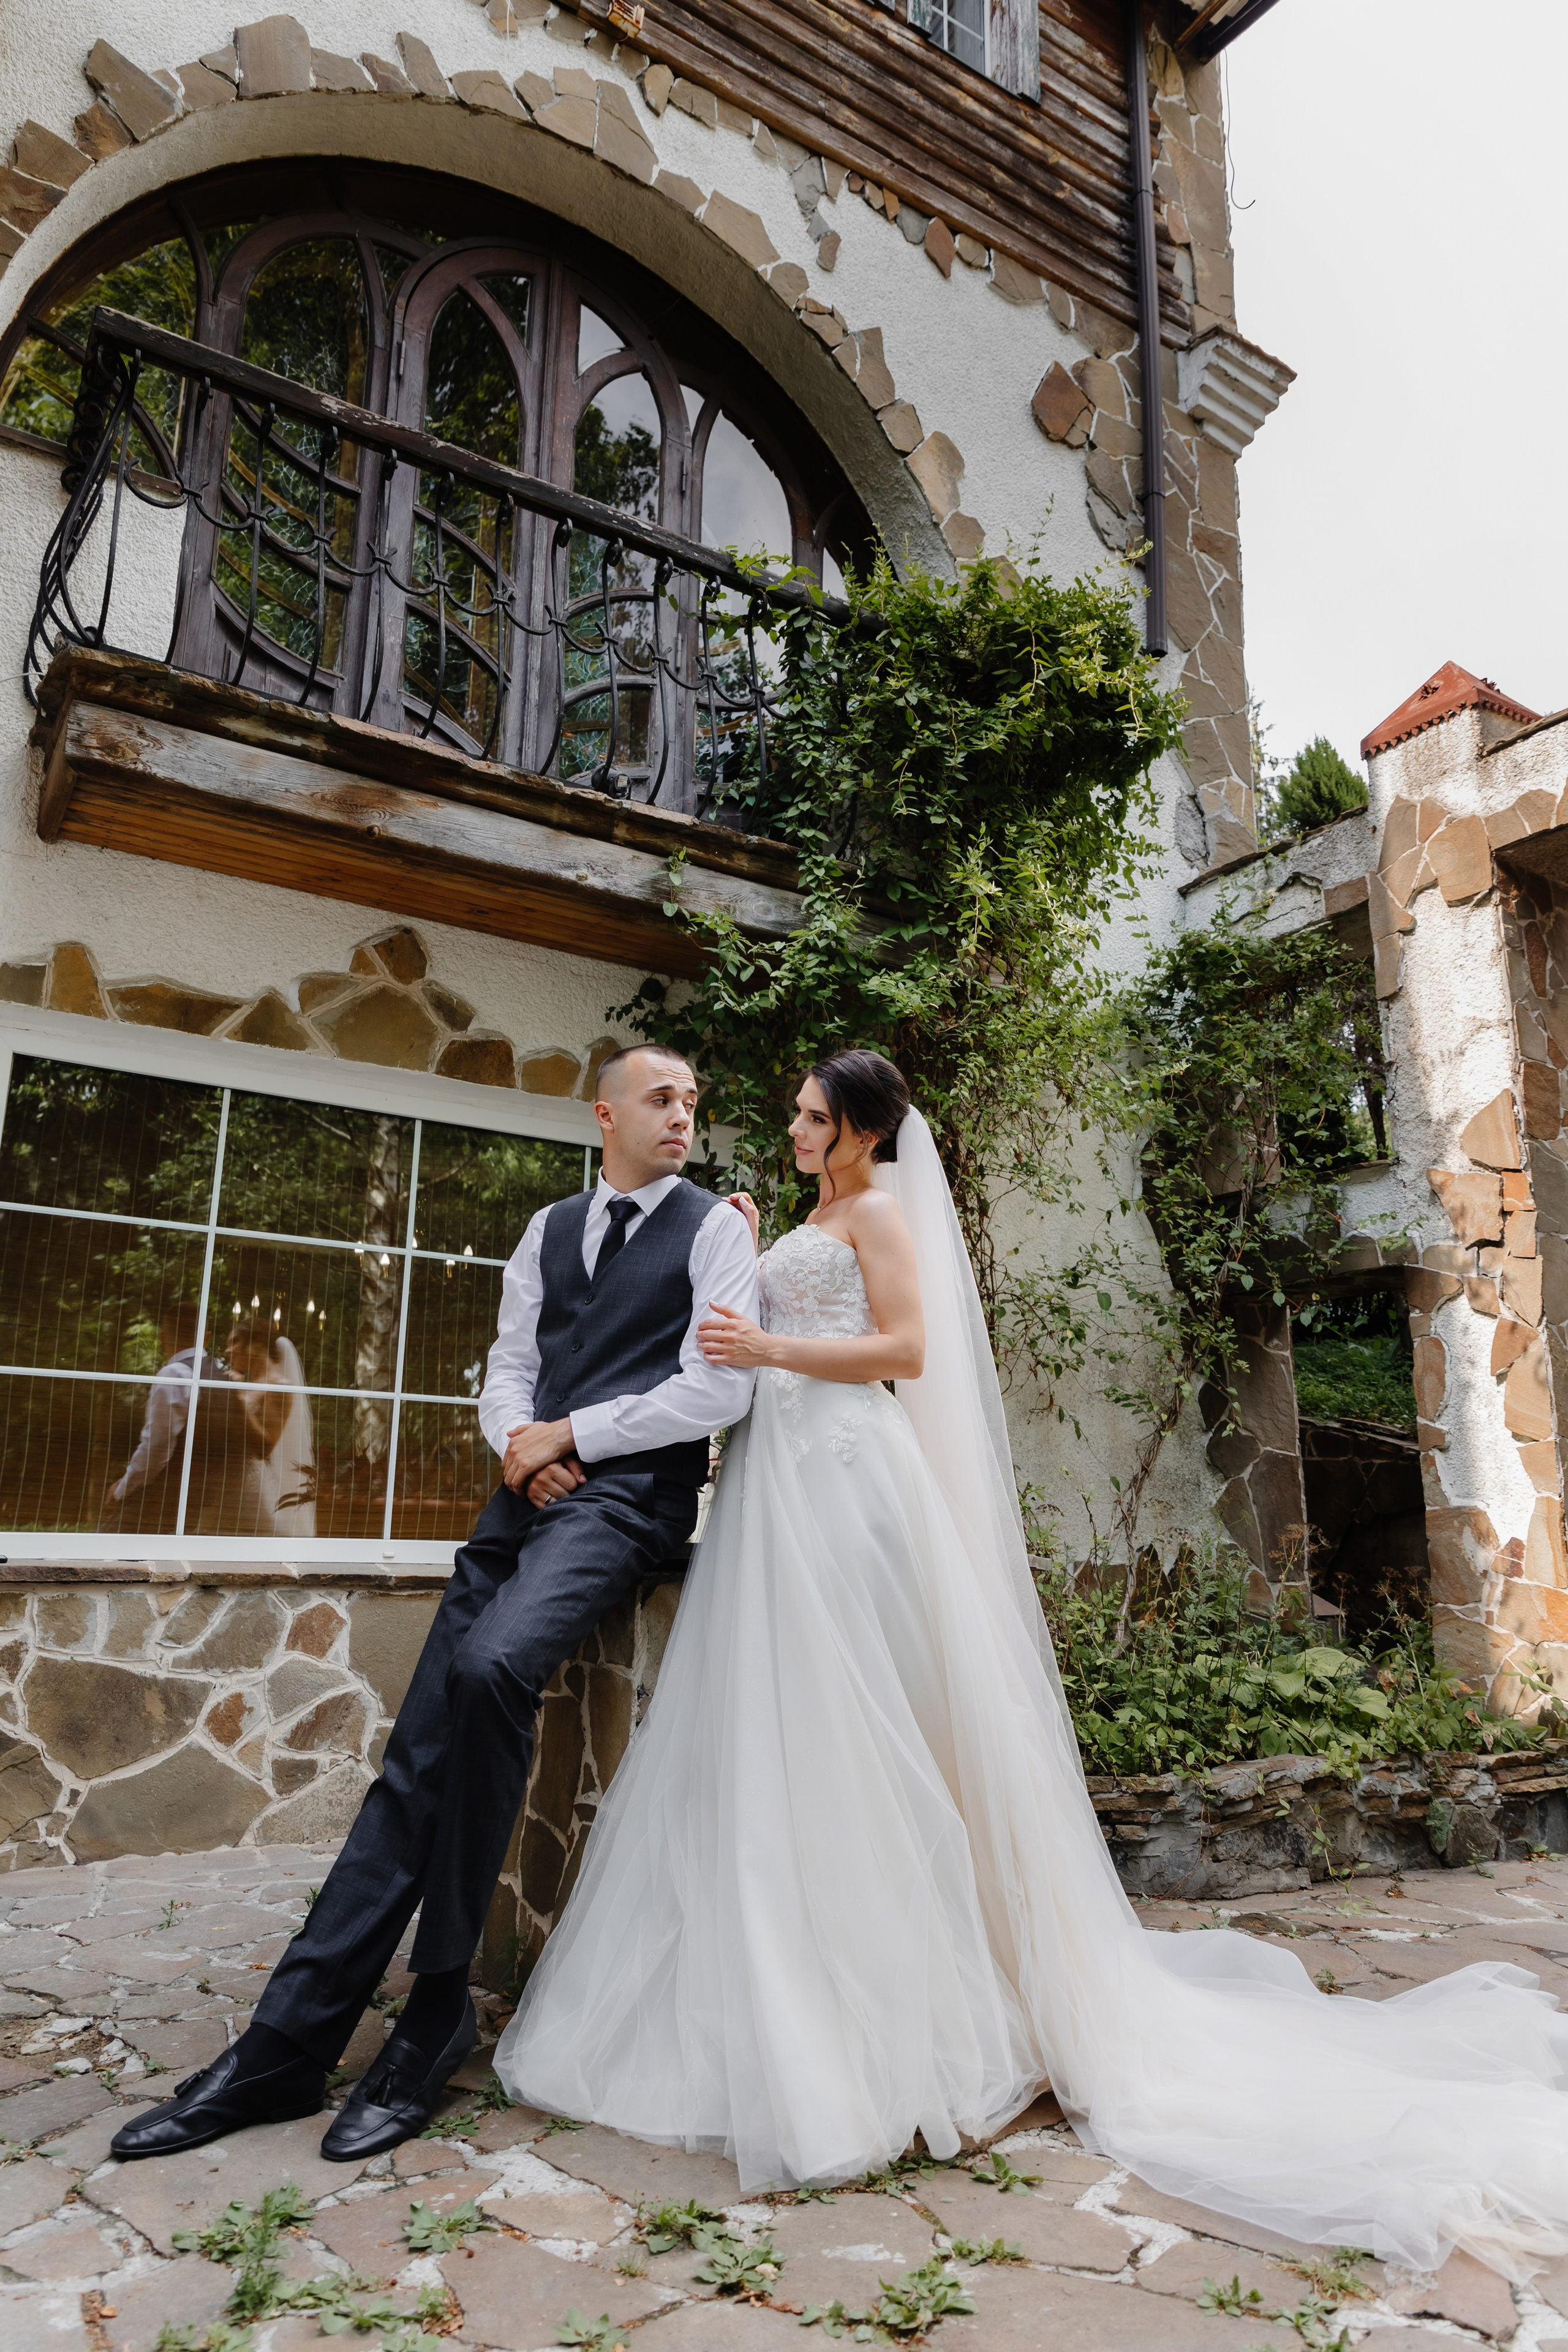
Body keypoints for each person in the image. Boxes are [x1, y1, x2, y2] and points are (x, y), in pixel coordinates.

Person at [496, 1049, 1568, 2285]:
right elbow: (771, 1314)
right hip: (778, 1487)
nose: (787, 1129)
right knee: (783, 1732)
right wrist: (745, 1249)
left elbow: (903, 1354)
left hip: (844, 1480)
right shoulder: (814, 1213)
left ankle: (904, 2013)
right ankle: (788, 1989)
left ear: (854, 1131)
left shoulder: (884, 1213)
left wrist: (772, 1353)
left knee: (867, 1723)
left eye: (805, 1117)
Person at [110, 1045, 759, 2165]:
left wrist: (577, 1436)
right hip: (524, 1499)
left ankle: (437, 2001)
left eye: (693, 1101)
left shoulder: (717, 1228)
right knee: (417, 1758)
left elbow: (722, 1385)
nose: (683, 1116)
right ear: (604, 1113)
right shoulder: (546, 1230)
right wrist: (521, 1439)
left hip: (630, 1505)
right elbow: (506, 1367)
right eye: (662, 1098)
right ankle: (285, 2044)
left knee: (491, 1670)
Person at [104, 1304, 260, 1536]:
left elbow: (156, 1447)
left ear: (163, 1336)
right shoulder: (223, 1376)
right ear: (205, 1337)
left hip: (160, 1499)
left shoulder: (174, 1374)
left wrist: (122, 1489)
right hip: (197, 1502)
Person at [226, 1318, 317, 1537]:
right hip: (231, 1480)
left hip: (256, 1488)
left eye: (235, 1342)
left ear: (257, 1344)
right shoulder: (247, 1383)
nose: (228, 1351)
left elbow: (265, 1446)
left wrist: (239, 1399)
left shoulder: (280, 1387)